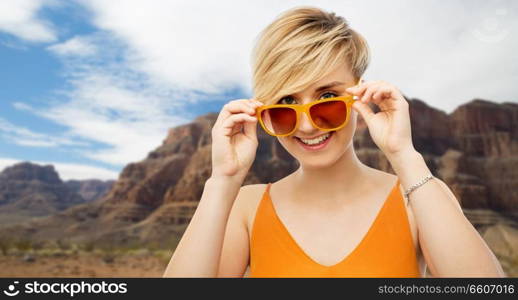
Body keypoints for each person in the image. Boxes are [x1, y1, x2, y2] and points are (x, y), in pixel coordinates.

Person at [163, 6, 505, 278]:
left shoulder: (419, 196)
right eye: (286, 104)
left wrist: (403, 154)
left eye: (327, 95)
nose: (308, 124)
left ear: (360, 92)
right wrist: (222, 180)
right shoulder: (245, 208)